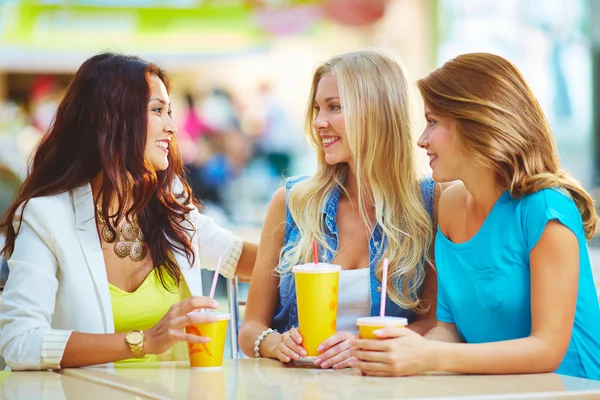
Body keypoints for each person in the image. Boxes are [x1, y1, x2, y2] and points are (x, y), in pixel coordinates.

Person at [0, 53, 258, 371]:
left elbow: (236, 257)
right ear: (112, 118)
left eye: (170, 112)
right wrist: (144, 341)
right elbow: (20, 342)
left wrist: (315, 257)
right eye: (158, 111)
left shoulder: (168, 204)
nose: (173, 127)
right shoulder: (46, 217)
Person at [351, 53, 600, 380]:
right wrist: (384, 348)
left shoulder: (546, 208)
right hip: (492, 390)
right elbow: (449, 331)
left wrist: (431, 356)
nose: (421, 140)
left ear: (474, 123)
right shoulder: (449, 206)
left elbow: (547, 350)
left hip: (572, 389)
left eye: (432, 121)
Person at [239, 49, 442, 369]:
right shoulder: (292, 203)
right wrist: (277, 343)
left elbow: (432, 324)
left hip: (383, 389)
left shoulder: (430, 204)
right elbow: (250, 327)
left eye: (334, 107)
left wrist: (366, 347)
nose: (319, 122)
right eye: (318, 108)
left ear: (377, 111)